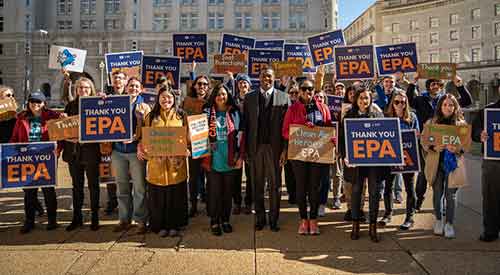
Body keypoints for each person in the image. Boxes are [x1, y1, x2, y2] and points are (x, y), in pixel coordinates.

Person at [407, 74, 472, 211]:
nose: (435, 86)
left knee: (445, 172)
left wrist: (459, 85)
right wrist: (413, 83)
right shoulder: (421, 99)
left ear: (441, 86)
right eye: (432, 84)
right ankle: (419, 198)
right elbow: (409, 100)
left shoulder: (446, 100)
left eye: (438, 84)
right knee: (425, 173)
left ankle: (441, 204)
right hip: (428, 141)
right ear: (428, 86)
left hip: (447, 143)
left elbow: (466, 101)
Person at [282, 80, 332, 235]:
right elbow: (285, 131)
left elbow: (329, 128)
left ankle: (314, 219)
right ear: (299, 91)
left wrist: (330, 138)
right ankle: (304, 220)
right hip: (299, 155)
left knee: (314, 188)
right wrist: (302, 129)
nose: (307, 91)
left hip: (318, 154)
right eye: (304, 89)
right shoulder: (292, 109)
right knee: (301, 188)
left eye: (310, 89)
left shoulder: (322, 107)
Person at [137, 86, 188, 238]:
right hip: (156, 166)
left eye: (169, 98)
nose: (167, 100)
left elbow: (188, 137)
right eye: (163, 97)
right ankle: (160, 226)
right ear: (158, 99)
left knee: (175, 196)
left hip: (175, 165)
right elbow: (142, 137)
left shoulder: (181, 115)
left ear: (174, 99)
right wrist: (141, 148)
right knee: (158, 197)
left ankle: (175, 225)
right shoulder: (151, 117)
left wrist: (188, 148)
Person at [243, 68, 290, 232]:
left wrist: (285, 150)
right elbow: (246, 126)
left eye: (269, 76)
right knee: (257, 185)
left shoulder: (284, 97)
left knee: (275, 186)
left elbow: (288, 128)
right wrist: (246, 151)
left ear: (274, 78)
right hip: (256, 148)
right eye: (263, 76)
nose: (266, 79)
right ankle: (260, 219)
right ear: (259, 78)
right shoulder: (249, 98)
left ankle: (274, 219)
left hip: (275, 149)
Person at [10, 91, 62, 234]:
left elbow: (63, 133)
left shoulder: (53, 116)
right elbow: (14, 138)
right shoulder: (21, 118)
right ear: (29, 103)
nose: (35, 105)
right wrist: (11, 152)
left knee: (48, 190)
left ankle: (52, 220)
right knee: (29, 192)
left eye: (38, 102)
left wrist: (58, 149)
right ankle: (29, 221)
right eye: (32, 102)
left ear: (44, 104)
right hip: (27, 158)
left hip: (46, 158)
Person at [340, 86, 384, 242]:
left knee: (373, 193)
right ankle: (355, 224)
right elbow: (342, 140)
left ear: (370, 100)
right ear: (355, 100)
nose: (364, 101)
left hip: (374, 162)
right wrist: (345, 156)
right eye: (361, 98)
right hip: (356, 163)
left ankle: (373, 226)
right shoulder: (348, 116)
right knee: (356, 192)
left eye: (366, 98)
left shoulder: (378, 115)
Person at [422, 94, 467, 239]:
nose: (448, 107)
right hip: (437, 163)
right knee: (437, 193)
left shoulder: (461, 124)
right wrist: (434, 147)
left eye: (451, 105)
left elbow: (466, 145)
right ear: (440, 106)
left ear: (455, 107)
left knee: (451, 195)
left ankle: (449, 224)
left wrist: (458, 149)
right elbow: (424, 141)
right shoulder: (431, 122)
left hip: (453, 164)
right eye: (445, 105)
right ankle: (439, 221)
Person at [202, 84, 244, 236]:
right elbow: (197, 134)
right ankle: (214, 220)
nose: (221, 97)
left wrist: (240, 156)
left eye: (224, 94)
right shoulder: (206, 112)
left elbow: (241, 135)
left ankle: (225, 219)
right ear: (214, 96)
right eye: (218, 94)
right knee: (214, 192)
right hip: (213, 158)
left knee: (227, 192)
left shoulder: (234, 112)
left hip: (230, 157)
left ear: (228, 96)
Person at [110, 77, 149, 235]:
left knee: (139, 187)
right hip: (118, 151)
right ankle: (124, 219)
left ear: (141, 89)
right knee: (122, 186)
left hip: (135, 151)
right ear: (126, 88)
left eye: (136, 86)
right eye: (131, 86)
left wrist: (137, 139)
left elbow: (149, 129)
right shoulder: (116, 102)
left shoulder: (144, 106)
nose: (133, 88)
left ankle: (140, 220)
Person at [61, 77, 101, 231]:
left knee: (93, 185)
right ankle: (77, 217)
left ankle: (95, 217)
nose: (83, 90)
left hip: (91, 151)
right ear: (76, 90)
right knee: (76, 186)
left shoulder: (97, 104)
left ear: (91, 89)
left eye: (86, 88)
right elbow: (63, 129)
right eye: (80, 88)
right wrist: (63, 121)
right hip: (74, 152)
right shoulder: (70, 106)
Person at [378, 91, 419, 230]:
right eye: (397, 102)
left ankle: (409, 217)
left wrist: (417, 135)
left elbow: (417, 135)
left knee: (409, 188)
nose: (400, 105)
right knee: (388, 186)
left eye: (403, 102)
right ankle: (388, 214)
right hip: (391, 157)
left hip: (408, 157)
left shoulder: (412, 117)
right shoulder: (387, 117)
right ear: (392, 103)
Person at [471, 85, 500, 242]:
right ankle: (490, 230)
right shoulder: (487, 111)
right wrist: (480, 135)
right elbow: (474, 132)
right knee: (491, 196)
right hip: (492, 161)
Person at [101, 70, 129, 215]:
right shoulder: (107, 98)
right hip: (111, 144)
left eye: (120, 78)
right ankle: (112, 201)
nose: (117, 80)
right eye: (115, 78)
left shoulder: (131, 96)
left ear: (125, 81)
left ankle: (127, 205)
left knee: (127, 177)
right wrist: (99, 101)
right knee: (111, 176)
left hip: (127, 144)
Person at [183, 75, 211, 217]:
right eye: (199, 84)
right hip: (192, 145)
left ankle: (210, 204)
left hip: (209, 145)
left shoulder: (212, 101)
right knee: (193, 177)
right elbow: (181, 121)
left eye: (205, 84)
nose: (202, 87)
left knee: (210, 176)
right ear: (194, 86)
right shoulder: (187, 101)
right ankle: (193, 205)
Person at [227, 73, 253, 215]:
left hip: (250, 141)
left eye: (245, 83)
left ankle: (248, 202)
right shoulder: (233, 101)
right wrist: (230, 79)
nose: (243, 86)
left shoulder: (254, 100)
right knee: (236, 174)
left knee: (250, 175)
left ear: (249, 85)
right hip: (236, 140)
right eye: (240, 83)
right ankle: (236, 202)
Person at [284, 80, 299, 205]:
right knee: (288, 170)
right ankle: (292, 194)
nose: (293, 95)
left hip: (301, 143)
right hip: (287, 142)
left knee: (299, 171)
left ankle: (299, 193)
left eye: (296, 92)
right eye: (291, 92)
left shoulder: (303, 105)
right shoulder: (284, 106)